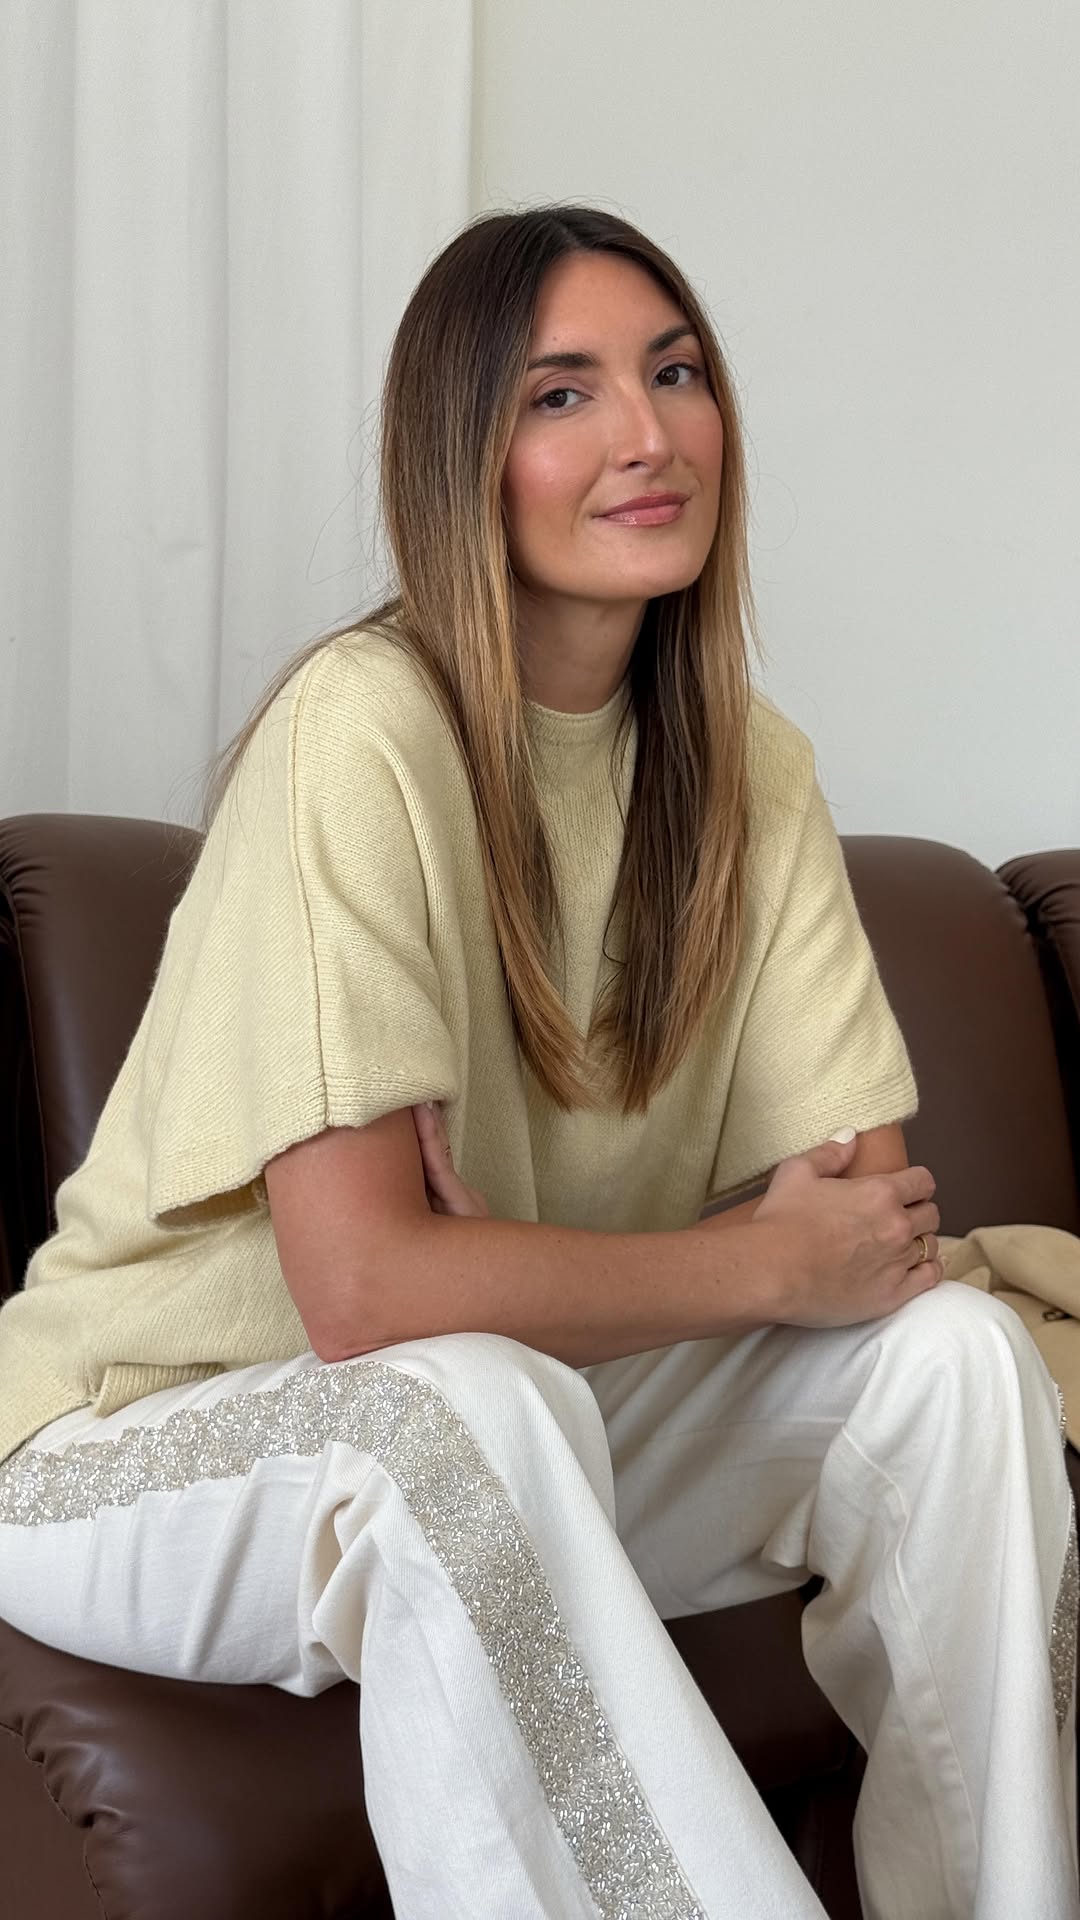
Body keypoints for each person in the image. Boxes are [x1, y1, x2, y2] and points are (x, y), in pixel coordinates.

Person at [0, 204, 1074, 1920]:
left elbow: (866, 1233)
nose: (648, 434)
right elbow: (367, 1294)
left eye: (675, 372)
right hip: (133, 1443)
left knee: (951, 1359)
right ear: (462, 462)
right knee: (457, 1401)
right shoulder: (361, 729)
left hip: (513, 1398)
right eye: (562, 395)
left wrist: (506, 1262)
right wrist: (730, 1260)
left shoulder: (748, 770)